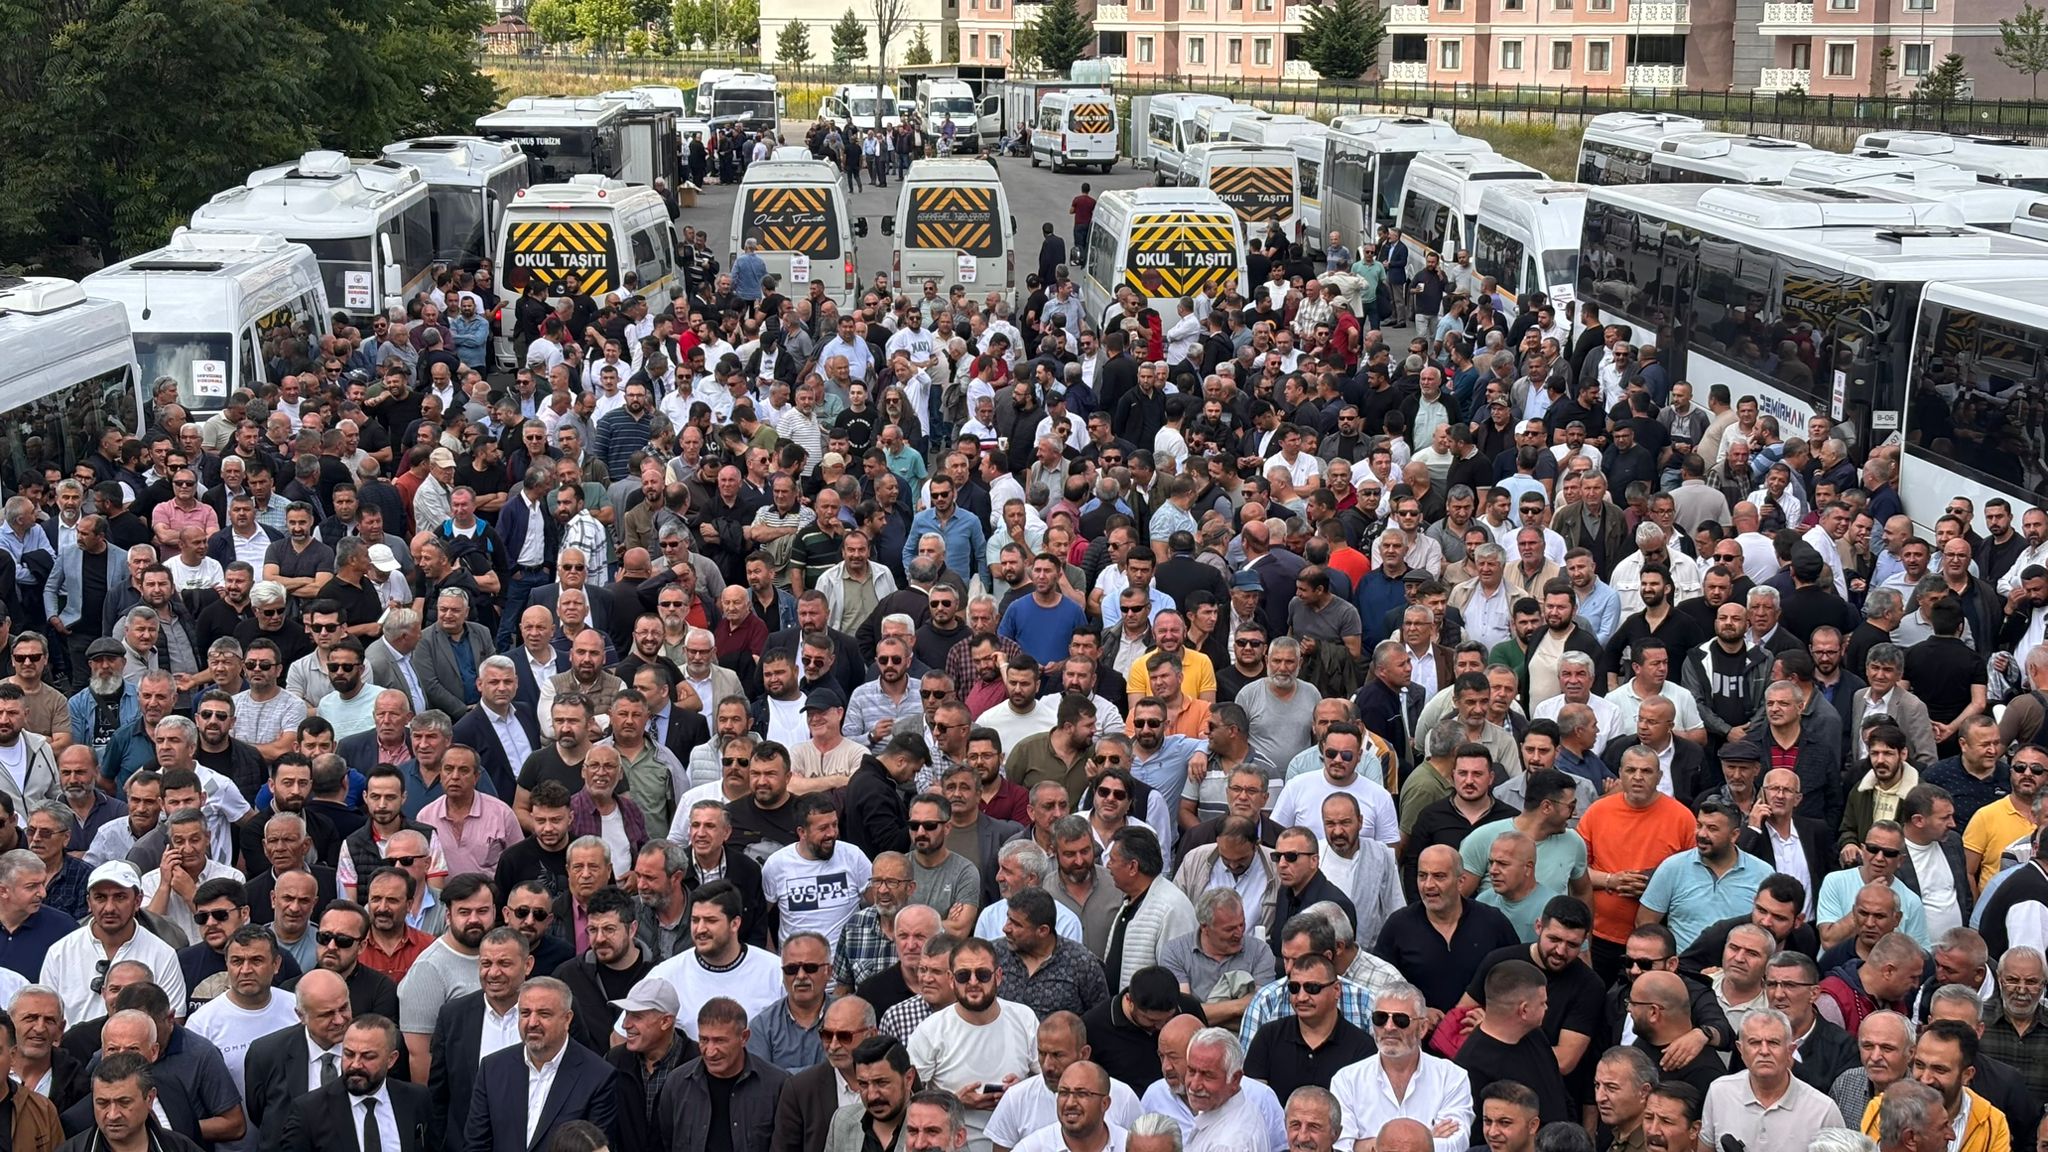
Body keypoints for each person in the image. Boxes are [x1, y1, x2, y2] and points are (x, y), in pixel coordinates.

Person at [466, 977, 625, 1152]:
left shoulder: (598, 1076)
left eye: (544, 1014)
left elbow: (595, 1147)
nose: (532, 1023)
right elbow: (476, 1144)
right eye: (525, 1013)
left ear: (567, 1019)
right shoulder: (492, 1068)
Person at [276, 1015, 435, 1152]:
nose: (356, 1064)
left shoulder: (416, 1099)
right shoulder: (309, 1111)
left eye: (368, 1056)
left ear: (391, 1059)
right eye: (349, 1054)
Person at [653, 996, 788, 1152]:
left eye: (720, 1041)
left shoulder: (777, 1085)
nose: (710, 1051)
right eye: (704, 1039)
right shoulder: (677, 1083)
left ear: (744, 1037)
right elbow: (665, 1141)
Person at [1699, 1011, 1846, 1149]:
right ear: (1740, 1050)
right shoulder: (1719, 1092)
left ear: (1790, 1051)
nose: (1764, 1051)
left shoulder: (1823, 1110)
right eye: (1754, 1042)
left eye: (1773, 1043)